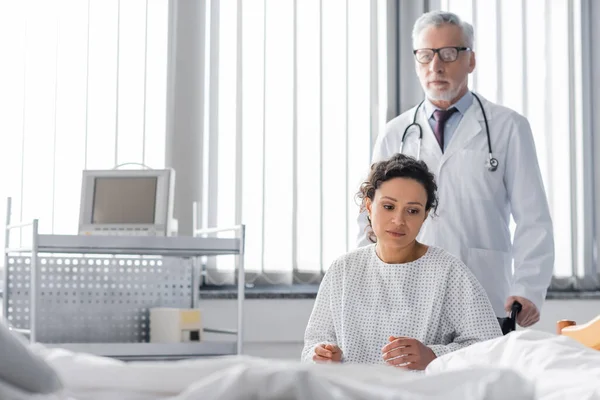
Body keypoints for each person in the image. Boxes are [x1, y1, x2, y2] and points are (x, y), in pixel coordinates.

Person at [356, 11, 554, 327]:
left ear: (471, 60)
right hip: (407, 296)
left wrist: (528, 288)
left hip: (485, 292)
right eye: (425, 55)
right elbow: (370, 219)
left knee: (482, 376)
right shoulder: (395, 132)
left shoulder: (508, 128)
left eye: (449, 53)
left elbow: (533, 219)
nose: (436, 65)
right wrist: (367, 288)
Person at [301, 154, 502, 368]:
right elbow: (312, 346)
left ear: (425, 215)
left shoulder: (448, 272)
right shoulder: (343, 270)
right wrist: (321, 356)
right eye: (388, 207)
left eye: (412, 211)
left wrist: (433, 356)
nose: (399, 221)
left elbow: (491, 348)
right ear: (369, 206)